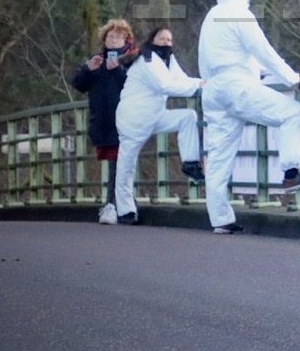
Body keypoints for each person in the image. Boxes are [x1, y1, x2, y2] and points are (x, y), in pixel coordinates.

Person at [198, 0, 300, 234]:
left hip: (214, 90)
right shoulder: (241, 14)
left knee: (219, 157)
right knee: (292, 113)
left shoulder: (211, 17)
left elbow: (213, 58)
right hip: (237, 86)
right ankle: (290, 173)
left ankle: (220, 219)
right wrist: (291, 78)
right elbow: (262, 51)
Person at [113, 26, 206, 225]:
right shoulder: (147, 60)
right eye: (162, 38)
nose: (166, 42)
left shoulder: (168, 60)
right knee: (127, 166)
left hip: (154, 115)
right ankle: (125, 211)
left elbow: (182, 80)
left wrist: (206, 83)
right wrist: (197, 86)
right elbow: (165, 85)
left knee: (187, 117)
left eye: (169, 39)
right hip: (134, 119)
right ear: (152, 40)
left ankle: (190, 163)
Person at [71, 18, 139, 224]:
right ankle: (123, 204)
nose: (114, 40)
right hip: (103, 121)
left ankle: (113, 205)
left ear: (126, 39)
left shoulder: (133, 59)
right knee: (117, 163)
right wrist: (88, 69)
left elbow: (135, 86)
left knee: (120, 163)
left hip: (127, 120)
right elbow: (78, 85)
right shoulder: (97, 60)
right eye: (110, 36)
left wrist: (117, 69)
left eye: (118, 36)